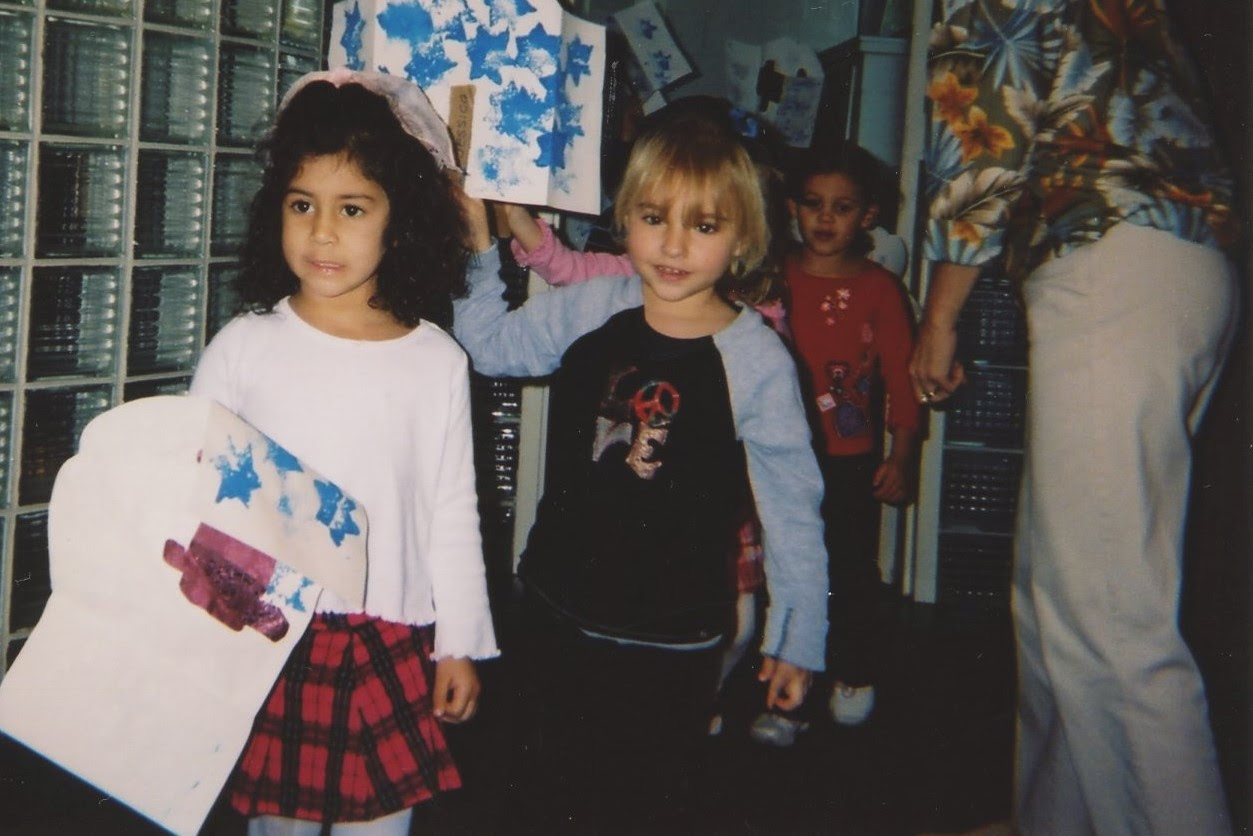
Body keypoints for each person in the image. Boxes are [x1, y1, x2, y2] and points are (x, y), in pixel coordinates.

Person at [453, 105, 828, 832]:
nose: (675, 244)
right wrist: (475, 254)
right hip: (557, 605)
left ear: (743, 238)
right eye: (655, 217)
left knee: (643, 805)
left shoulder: (755, 359)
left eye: (704, 226)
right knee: (538, 798)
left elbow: (791, 510)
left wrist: (797, 636)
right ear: (626, 217)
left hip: (671, 635)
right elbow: (493, 348)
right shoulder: (594, 305)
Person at [914, 3, 1240, 834]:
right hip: (1177, 264)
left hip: (1110, 259)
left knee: (1107, 621)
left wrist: (940, 312)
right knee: (1061, 598)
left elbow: (984, 123)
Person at [190, 69, 500, 835]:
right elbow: (192, 489)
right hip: (268, 634)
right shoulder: (246, 347)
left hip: (392, 635)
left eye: (352, 208)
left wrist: (459, 643)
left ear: (399, 223)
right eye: (303, 205)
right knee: (278, 826)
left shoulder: (435, 361)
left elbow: (453, 511)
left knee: (381, 824)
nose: (323, 232)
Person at [750, 143, 921, 747]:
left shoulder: (880, 290)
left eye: (842, 207)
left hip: (848, 461)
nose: (826, 219)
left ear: (868, 216)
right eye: (814, 205)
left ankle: (852, 670)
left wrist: (900, 456)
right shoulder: (772, 275)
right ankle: (779, 697)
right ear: (793, 208)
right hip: (772, 454)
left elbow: (903, 380)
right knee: (780, 573)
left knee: (847, 574)